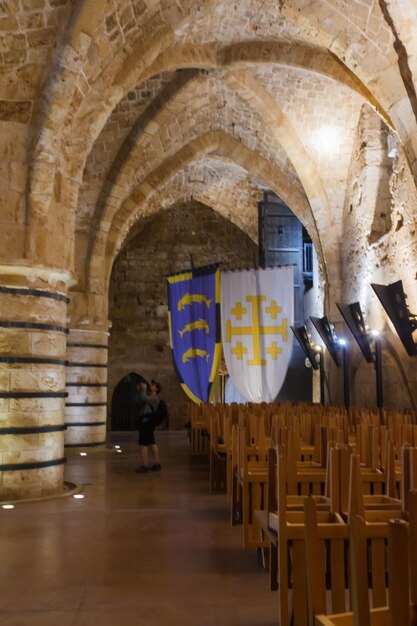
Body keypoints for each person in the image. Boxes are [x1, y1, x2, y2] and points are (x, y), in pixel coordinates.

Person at [135, 379, 162, 473]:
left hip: (147, 423)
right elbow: (139, 400)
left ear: (156, 389)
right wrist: (140, 390)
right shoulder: (150, 396)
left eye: (153, 385)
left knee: (143, 444)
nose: (151, 385)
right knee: (151, 442)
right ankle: (157, 463)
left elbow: (144, 398)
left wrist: (143, 389)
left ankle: (145, 465)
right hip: (147, 423)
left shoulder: (155, 398)